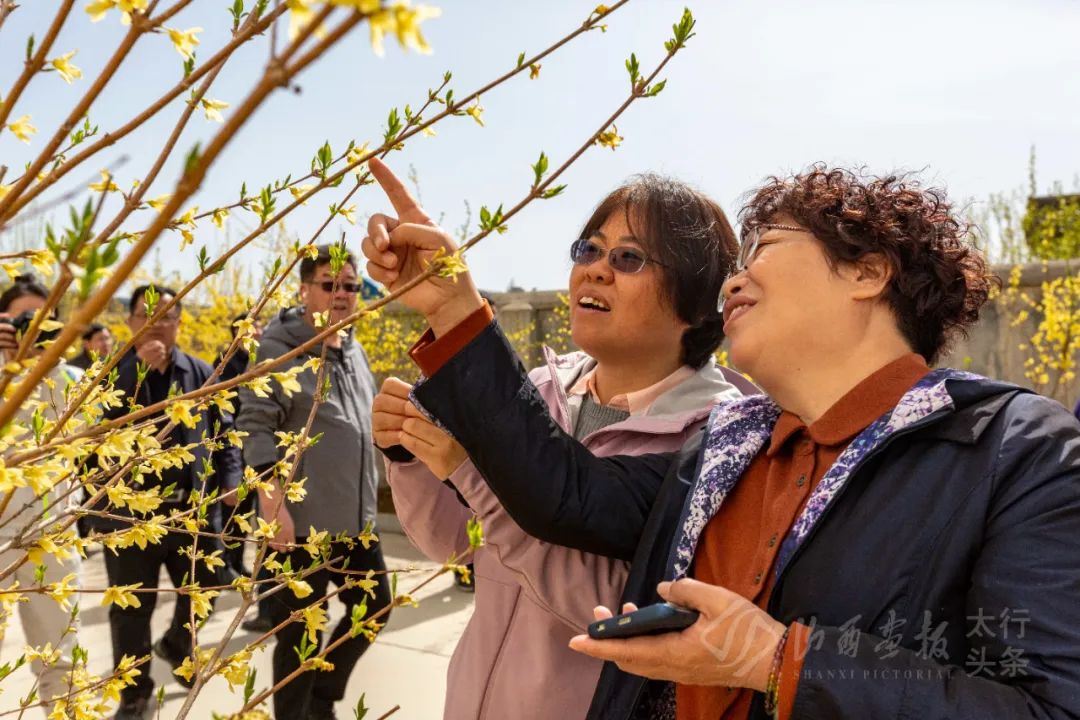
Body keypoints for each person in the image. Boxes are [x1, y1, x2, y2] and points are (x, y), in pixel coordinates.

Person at [362, 159, 1080, 719]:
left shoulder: (1014, 450)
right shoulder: (725, 448)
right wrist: (456, 307)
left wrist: (779, 661)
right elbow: (563, 495)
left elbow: (1048, 705)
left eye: (763, 247)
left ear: (867, 272)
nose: (733, 281)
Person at [372, 175, 754, 719]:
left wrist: (468, 474)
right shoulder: (539, 392)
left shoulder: (712, 439)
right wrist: (409, 457)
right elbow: (457, 544)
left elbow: (620, 609)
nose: (596, 269)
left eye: (630, 258)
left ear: (696, 303)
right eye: (589, 248)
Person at [236, 244, 392, 720]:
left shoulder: (354, 346)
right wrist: (272, 504)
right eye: (330, 284)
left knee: (376, 609)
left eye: (350, 285)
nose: (342, 294)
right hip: (302, 525)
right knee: (301, 634)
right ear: (305, 290)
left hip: (355, 519)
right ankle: (298, 712)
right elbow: (255, 426)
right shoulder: (281, 349)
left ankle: (321, 698)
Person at [86, 284, 243, 720]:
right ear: (131, 322)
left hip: (192, 513)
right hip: (130, 517)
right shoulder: (108, 375)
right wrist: (134, 375)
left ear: (179, 322)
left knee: (208, 586)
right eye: (146, 314)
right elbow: (93, 441)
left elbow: (225, 435)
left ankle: (177, 642)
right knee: (131, 612)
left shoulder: (202, 372)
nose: (156, 322)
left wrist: (231, 479)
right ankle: (134, 694)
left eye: (168, 315)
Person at [0, 275, 82, 717]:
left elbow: (72, 436)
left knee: (61, 664)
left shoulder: (72, 378)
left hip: (53, 536)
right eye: (20, 321)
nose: (31, 330)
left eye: (42, 321)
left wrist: (43, 367)